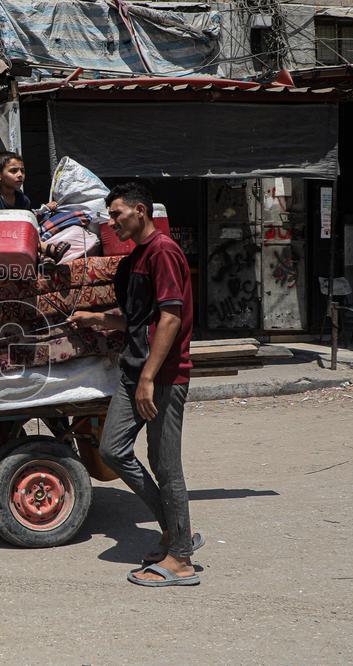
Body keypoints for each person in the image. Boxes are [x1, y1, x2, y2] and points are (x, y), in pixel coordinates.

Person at [68, 182, 202, 587]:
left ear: (140, 211)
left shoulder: (163, 251)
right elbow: (138, 320)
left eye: (117, 214)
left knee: (165, 464)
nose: (113, 222)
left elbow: (171, 318)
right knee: (112, 449)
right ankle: (174, 528)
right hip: (135, 371)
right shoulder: (139, 256)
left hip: (162, 376)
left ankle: (180, 559)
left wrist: (148, 378)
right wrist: (94, 319)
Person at [0, 151, 70, 265]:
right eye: (13, 171)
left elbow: (29, 222)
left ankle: (44, 258)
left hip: (16, 238)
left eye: (22, 170)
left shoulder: (23, 199)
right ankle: (49, 250)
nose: (20, 174)